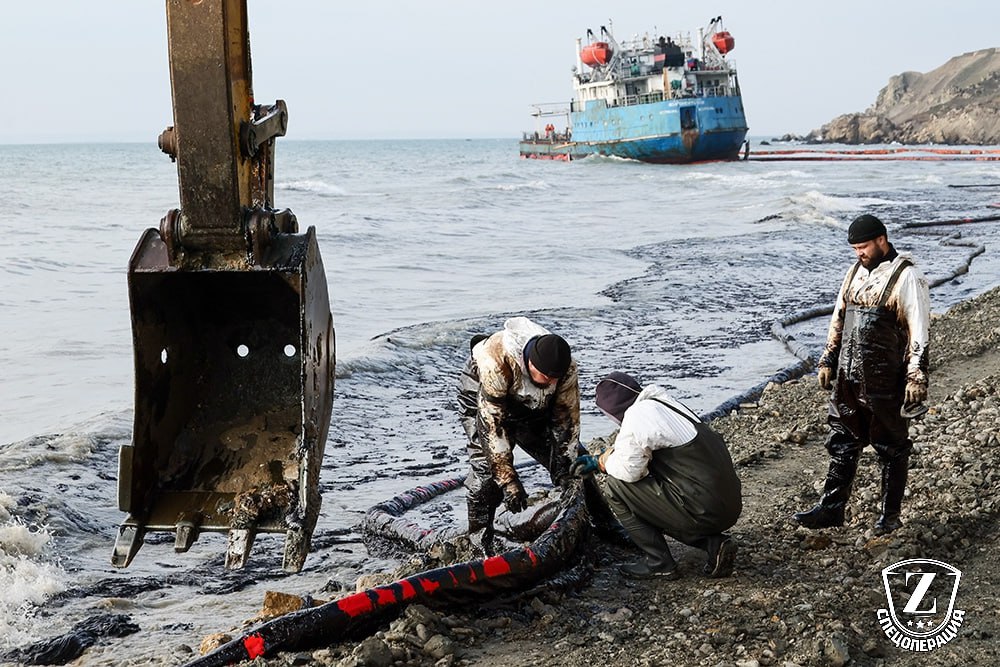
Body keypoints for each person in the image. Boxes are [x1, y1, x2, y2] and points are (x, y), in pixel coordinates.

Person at [793, 214, 930, 534]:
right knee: (841, 438)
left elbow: (919, 329)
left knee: (891, 445)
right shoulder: (854, 272)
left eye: (863, 247)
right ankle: (831, 509)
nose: (859, 253)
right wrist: (828, 358)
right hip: (848, 376)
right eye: (855, 248)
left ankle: (890, 516)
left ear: (882, 240)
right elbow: (839, 316)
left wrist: (916, 376)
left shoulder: (907, 277)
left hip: (886, 377)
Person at [574, 372, 742, 579]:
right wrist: (607, 457)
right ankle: (713, 545)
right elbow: (637, 450)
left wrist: (601, 463)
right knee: (656, 495)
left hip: (704, 508)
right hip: (728, 503)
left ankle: (659, 562)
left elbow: (630, 471)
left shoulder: (637, 416)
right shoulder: (664, 404)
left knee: (616, 486)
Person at [456, 317, 580, 553]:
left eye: (555, 379)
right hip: (481, 393)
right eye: (546, 376)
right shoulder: (496, 362)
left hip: (530, 402)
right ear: (530, 363)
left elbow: (566, 419)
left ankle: (605, 524)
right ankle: (480, 542)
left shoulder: (566, 369)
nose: (552, 382)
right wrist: (508, 481)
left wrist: (564, 465)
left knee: (576, 467)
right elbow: (493, 427)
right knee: (486, 469)